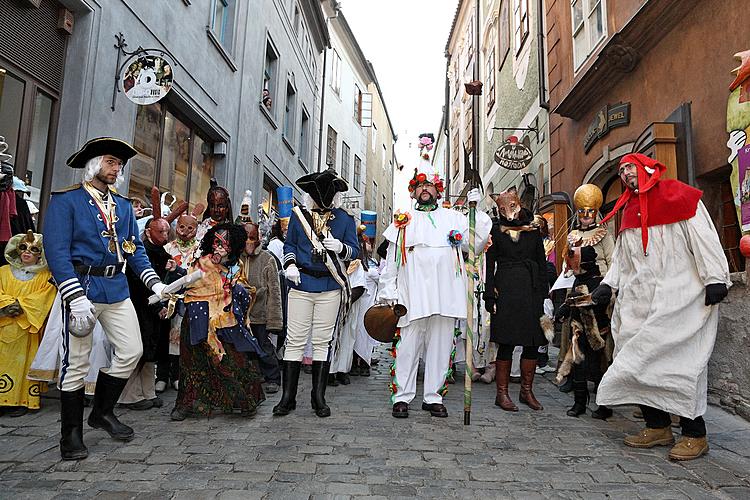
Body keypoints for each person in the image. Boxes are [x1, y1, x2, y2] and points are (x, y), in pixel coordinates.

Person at [593, 153, 731, 461]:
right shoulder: (627, 209)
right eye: (622, 171)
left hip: (678, 296)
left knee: (682, 366)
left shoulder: (678, 195)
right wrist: (608, 284)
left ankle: (696, 434)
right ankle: (657, 426)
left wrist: (715, 278)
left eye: (630, 167)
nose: (626, 174)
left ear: (647, 168)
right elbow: (621, 257)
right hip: (638, 301)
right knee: (636, 361)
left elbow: (704, 237)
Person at [43, 137, 167, 460]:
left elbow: (135, 251)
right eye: (112, 162)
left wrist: (154, 284)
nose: (117, 169)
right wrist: (74, 295)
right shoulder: (66, 200)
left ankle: (102, 411)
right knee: (77, 363)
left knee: (131, 350)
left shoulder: (124, 207)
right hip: (81, 289)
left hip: (117, 290)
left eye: (119, 164)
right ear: (95, 163)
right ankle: (70, 435)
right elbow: (55, 252)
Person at [377, 164, 490, 418]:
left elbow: (476, 243)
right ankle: (402, 396)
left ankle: (433, 396)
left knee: (440, 346)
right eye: (419, 186)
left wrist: (477, 211)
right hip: (412, 294)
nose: (424, 190)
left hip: (445, 294)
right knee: (408, 346)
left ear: (438, 191)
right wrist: (389, 290)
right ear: (414, 192)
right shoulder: (402, 221)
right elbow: (392, 260)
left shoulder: (454, 218)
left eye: (429, 186)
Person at [274, 168, 358, 418]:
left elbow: (354, 252)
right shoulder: (299, 217)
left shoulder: (344, 219)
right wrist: (289, 265)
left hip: (329, 286)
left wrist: (341, 247)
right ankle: (287, 398)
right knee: (295, 341)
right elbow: (289, 245)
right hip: (301, 284)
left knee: (322, 341)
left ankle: (318, 397)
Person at [169, 224, 266, 420]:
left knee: (230, 359)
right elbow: (188, 283)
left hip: (224, 318)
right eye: (216, 243)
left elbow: (244, 289)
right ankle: (187, 404)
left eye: (225, 245)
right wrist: (176, 271)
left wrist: (236, 289)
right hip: (197, 316)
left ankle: (242, 399)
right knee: (191, 361)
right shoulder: (201, 262)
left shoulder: (236, 267)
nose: (219, 249)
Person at [119, 188, 187, 409]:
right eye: (161, 232)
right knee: (139, 351)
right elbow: (139, 283)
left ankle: (147, 392)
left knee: (152, 352)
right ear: (148, 232)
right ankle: (129, 396)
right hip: (140, 308)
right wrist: (157, 303)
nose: (165, 236)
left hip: (157, 311)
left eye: (168, 232)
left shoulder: (164, 253)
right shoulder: (141, 253)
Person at [484, 187, 550, 412]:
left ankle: (526, 391)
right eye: (501, 208)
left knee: (533, 341)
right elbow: (489, 263)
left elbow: (541, 261)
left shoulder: (532, 228)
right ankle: (501, 394)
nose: (507, 212)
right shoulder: (495, 229)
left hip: (531, 290)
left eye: (511, 206)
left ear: (519, 202)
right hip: (507, 288)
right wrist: (489, 294)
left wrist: (543, 292)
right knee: (507, 341)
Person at [554, 184, 615, 419]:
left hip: (598, 294)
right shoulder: (573, 237)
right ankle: (580, 402)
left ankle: (604, 404)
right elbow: (567, 270)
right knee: (576, 346)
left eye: (590, 212)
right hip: (578, 292)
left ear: (595, 213)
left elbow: (613, 264)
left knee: (599, 350)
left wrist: (607, 292)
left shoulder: (604, 235)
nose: (586, 216)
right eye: (582, 212)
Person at [0, 231, 56, 416]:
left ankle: (23, 400)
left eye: (33, 249)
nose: (27, 252)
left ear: (40, 253)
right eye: (23, 247)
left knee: (26, 363)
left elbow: (45, 296)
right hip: (4, 326)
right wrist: (6, 305)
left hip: (28, 328)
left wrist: (21, 306)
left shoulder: (44, 276)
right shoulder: (3, 272)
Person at [238, 222, 283, 394]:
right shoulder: (236, 257)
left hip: (260, 314)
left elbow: (275, 291)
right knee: (243, 348)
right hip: (240, 314)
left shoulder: (267, 259)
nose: (249, 242)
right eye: (246, 238)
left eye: (252, 238)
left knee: (264, 346)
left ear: (258, 238)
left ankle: (273, 377)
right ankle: (250, 375)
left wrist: (274, 320)